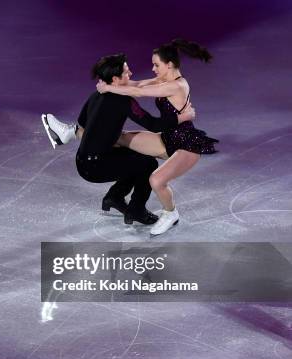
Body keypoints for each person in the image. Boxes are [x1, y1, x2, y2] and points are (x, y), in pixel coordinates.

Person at [41, 53, 195, 225]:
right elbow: (153, 124)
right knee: (147, 164)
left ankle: (114, 197)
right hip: (96, 166)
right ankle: (136, 210)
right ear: (115, 79)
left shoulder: (96, 95)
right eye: (126, 73)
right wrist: (182, 117)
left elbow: (83, 122)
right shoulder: (123, 101)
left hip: (83, 160)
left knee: (134, 157)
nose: (130, 74)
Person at [95, 39, 218, 235]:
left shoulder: (177, 86)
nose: (152, 69)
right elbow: (136, 84)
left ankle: (171, 213)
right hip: (167, 139)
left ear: (169, 64)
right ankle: (75, 133)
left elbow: (138, 92)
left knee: (156, 180)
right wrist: (111, 82)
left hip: (186, 145)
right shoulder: (163, 81)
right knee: (121, 138)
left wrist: (109, 89)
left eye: (156, 65)